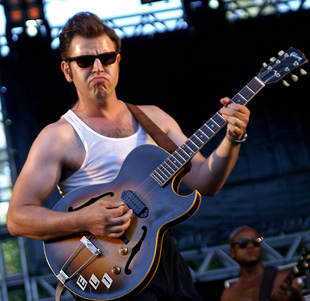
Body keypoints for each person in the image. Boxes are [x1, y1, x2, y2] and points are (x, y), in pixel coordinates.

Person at [7, 11, 251, 301]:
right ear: (67, 70)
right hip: (107, 271)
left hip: (163, 260)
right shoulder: (58, 136)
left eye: (106, 58)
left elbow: (206, 181)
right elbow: (17, 219)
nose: (98, 67)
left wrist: (233, 139)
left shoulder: (154, 118)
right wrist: (84, 220)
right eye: (85, 61)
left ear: (118, 61)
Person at [220, 226, 304, 301]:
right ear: (232, 252)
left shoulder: (283, 279)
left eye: (256, 241)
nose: (251, 246)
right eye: (243, 243)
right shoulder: (228, 294)